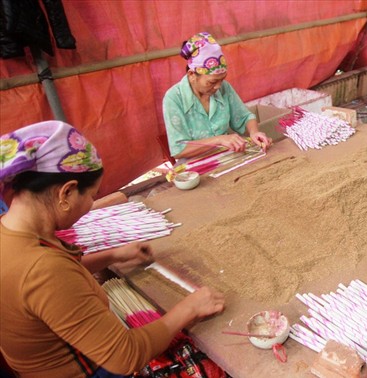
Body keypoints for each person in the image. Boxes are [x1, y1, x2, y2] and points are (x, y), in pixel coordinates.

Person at [0, 121, 226, 377]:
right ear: (66, 193)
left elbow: (53, 284)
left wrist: (113, 255)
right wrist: (190, 308)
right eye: (92, 196)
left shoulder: (11, 232)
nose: (91, 204)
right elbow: (125, 357)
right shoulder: (44, 270)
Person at [162, 32, 272, 161]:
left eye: (222, 79)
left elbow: (245, 117)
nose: (218, 86)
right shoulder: (174, 98)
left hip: (227, 158)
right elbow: (179, 149)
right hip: (195, 167)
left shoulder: (224, 88)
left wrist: (254, 132)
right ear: (192, 75)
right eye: (212, 82)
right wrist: (219, 140)